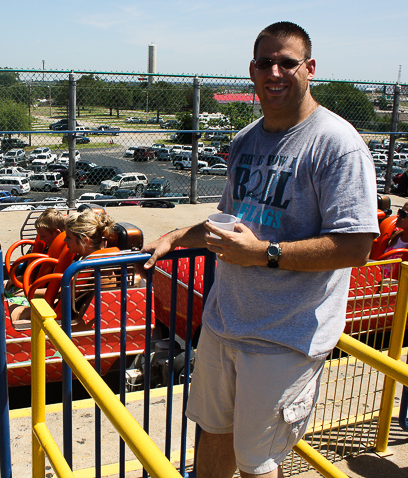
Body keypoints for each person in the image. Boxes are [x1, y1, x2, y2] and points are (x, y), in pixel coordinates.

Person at [142, 22, 378, 478]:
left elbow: (356, 246)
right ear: (251, 70)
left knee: (257, 463)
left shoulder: (337, 144)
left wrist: (266, 254)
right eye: (265, 62)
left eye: (287, 62)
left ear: (309, 69)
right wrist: (176, 235)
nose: (275, 71)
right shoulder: (246, 138)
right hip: (224, 323)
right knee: (212, 435)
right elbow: (229, 223)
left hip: (283, 339)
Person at [380, 202, 408, 279]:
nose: (398, 216)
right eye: (399, 211)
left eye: (403, 214)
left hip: (395, 285)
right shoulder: (394, 235)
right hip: (377, 278)